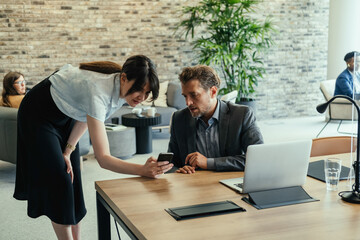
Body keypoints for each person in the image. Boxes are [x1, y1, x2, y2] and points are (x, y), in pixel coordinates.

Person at [13, 55, 173, 240]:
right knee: (60, 181)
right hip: (37, 114)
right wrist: (143, 170)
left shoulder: (119, 87)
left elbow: (84, 116)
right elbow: (103, 158)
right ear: (124, 78)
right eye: (139, 91)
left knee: (73, 182)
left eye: (147, 94)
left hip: (66, 115)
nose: (142, 98)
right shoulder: (99, 91)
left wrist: (68, 150)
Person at [168, 65, 263, 174]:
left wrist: (208, 163)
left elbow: (258, 158)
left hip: (229, 183)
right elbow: (171, 163)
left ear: (213, 92)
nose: (188, 103)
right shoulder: (179, 118)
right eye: (185, 96)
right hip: (194, 185)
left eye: (194, 95)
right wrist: (179, 170)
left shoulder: (241, 115)